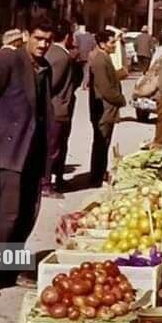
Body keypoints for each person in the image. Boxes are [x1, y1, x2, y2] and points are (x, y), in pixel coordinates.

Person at [0, 19, 54, 297]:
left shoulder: (45, 67)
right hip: (9, 150)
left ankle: (12, 267)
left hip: (34, 151)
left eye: (48, 40)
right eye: (38, 38)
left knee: (28, 213)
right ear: (25, 35)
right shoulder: (6, 60)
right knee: (7, 212)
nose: (43, 44)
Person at [44, 20, 81, 196]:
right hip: (57, 109)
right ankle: (46, 184)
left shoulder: (54, 53)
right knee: (53, 148)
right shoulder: (61, 57)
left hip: (58, 108)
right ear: (68, 36)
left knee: (57, 146)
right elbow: (52, 84)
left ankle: (57, 180)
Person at [89, 30, 126, 186]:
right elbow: (105, 88)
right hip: (104, 109)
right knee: (101, 142)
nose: (114, 46)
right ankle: (96, 176)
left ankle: (99, 173)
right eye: (111, 43)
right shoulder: (99, 59)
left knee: (103, 142)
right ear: (102, 44)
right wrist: (120, 99)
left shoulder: (104, 57)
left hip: (107, 108)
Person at [73, 24, 96, 88]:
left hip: (80, 55)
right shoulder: (92, 37)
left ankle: (78, 82)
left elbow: (76, 45)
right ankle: (84, 84)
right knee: (86, 70)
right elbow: (94, 46)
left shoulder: (78, 36)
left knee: (79, 69)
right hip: (88, 55)